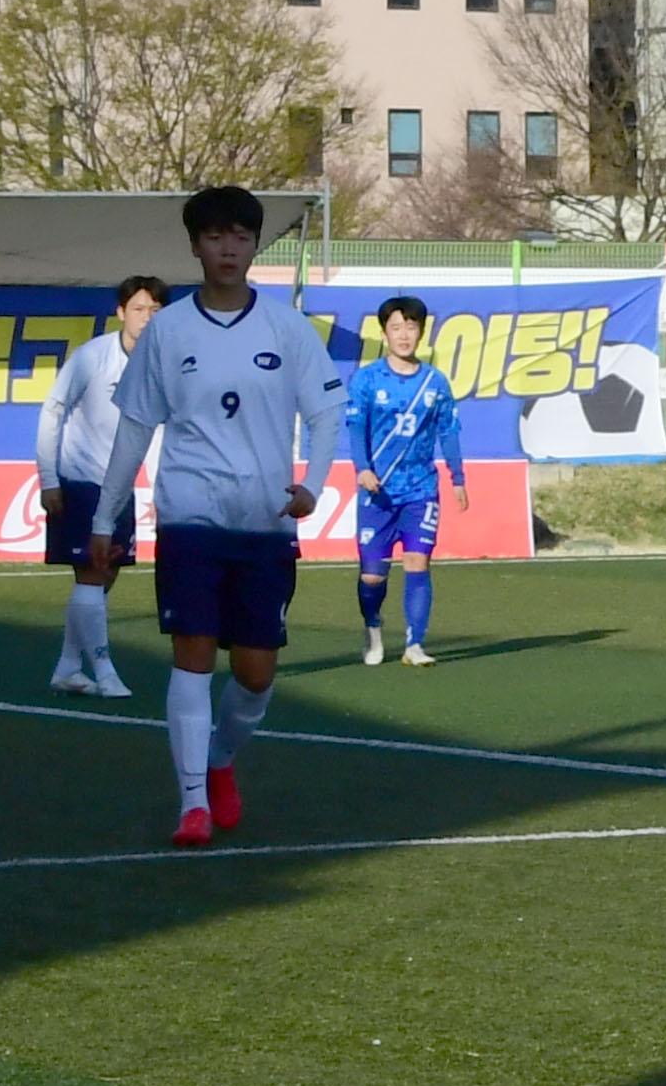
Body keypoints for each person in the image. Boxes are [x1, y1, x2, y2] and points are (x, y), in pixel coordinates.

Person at [91, 186, 347, 846]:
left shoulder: (286, 327)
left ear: (255, 245)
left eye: (239, 237)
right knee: (193, 655)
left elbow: (325, 413)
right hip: (188, 517)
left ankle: (221, 760)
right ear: (195, 245)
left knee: (256, 673)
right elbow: (133, 432)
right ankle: (192, 805)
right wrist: (102, 521)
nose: (227, 249)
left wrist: (312, 487)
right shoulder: (169, 329)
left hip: (264, 522)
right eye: (214, 237)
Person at [35, 275, 169, 699]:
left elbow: (156, 432)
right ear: (120, 313)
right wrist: (49, 479)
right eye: (139, 309)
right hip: (81, 483)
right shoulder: (92, 357)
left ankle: (69, 666)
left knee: (103, 578)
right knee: (93, 575)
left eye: (155, 310)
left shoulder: (160, 365)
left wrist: (158, 492)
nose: (147, 318)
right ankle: (105, 670)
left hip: (120, 489)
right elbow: (52, 412)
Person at [348, 295, 469, 667]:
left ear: (421, 332)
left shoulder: (435, 382)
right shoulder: (367, 379)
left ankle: (415, 645)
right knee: (372, 577)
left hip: (420, 490)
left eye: (411, 327)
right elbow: (356, 428)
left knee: (417, 562)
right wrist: (362, 467)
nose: (404, 335)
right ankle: (373, 628)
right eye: (396, 327)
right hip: (378, 492)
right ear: (384, 332)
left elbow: (448, 431)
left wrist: (457, 477)